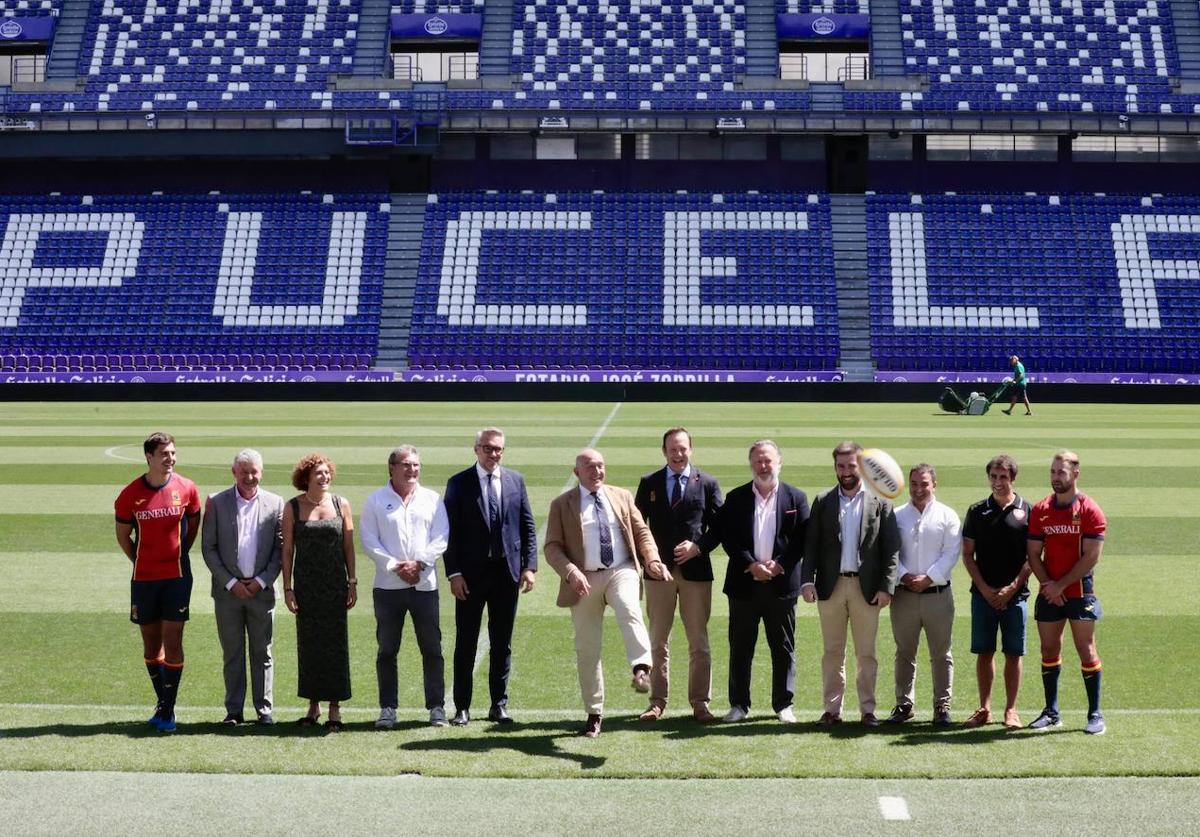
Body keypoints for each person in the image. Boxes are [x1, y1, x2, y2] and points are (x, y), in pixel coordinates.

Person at [544, 448, 672, 738]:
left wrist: (651, 559)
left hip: (620, 570)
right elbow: (552, 547)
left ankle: (641, 666)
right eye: (589, 466)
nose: (597, 471)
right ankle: (594, 711)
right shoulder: (562, 504)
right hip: (583, 579)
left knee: (629, 607)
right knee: (587, 649)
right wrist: (571, 572)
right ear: (577, 473)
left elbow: (642, 533)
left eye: (600, 465)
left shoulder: (621, 496)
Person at [442, 427, 538, 726]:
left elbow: (527, 526)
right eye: (487, 448)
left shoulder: (515, 480)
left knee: (502, 642)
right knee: (466, 642)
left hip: (506, 574)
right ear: (476, 449)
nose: (493, 454)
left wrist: (529, 566)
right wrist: (454, 573)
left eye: (498, 449)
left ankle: (499, 704)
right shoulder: (458, 483)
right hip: (470, 576)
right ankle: (462, 707)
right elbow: (450, 533)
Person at [801, 441, 900, 727]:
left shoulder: (881, 502)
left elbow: (890, 548)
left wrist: (886, 586)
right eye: (840, 466)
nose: (845, 471)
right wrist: (807, 580)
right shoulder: (823, 501)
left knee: (866, 653)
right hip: (830, 588)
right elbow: (812, 546)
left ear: (862, 467)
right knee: (832, 652)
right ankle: (832, 711)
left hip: (866, 589)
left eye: (851, 466)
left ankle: (867, 711)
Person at [633, 427, 724, 723]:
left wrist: (698, 547)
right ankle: (657, 701)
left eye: (683, 448)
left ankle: (700, 702)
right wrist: (649, 560)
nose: (678, 453)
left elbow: (720, 527)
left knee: (698, 641)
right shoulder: (649, 483)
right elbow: (637, 526)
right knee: (658, 641)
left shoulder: (708, 483)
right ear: (664, 451)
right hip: (658, 574)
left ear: (691, 449)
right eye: (672, 448)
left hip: (696, 573)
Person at [114, 431, 201, 733]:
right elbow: (124, 537)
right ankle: (163, 703)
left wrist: (178, 554)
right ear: (149, 456)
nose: (170, 459)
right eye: (164, 454)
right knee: (151, 646)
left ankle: (167, 709)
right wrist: (141, 559)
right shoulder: (129, 495)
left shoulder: (187, 488)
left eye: (173, 453)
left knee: (174, 641)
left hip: (177, 577)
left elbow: (192, 526)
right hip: (144, 580)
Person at [717, 440, 809, 724]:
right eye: (758, 460)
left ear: (779, 462)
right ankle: (739, 705)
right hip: (745, 585)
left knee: (782, 647)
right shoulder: (735, 498)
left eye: (768, 460)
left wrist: (779, 565)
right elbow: (729, 538)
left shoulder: (797, 497)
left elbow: (802, 539)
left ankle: (784, 704)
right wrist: (751, 564)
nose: (763, 465)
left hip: (781, 586)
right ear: (751, 464)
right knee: (741, 647)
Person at [200, 448, 284, 726]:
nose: (250, 477)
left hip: (262, 593)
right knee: (232, 652)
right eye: (244, 471)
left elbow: (280, 550)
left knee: (263, 652)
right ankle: (234, 710)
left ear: (262, 472)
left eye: (255, 472)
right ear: (234, 472)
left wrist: (261, 581)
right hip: (228, 595)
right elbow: (208, 548)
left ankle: (264, 710)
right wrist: (232, 583)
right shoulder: (216, 502)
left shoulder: (276, 503)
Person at [1026, 450, 1107, 735]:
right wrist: (1049, 585)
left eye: (1061, 472)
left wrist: (1061, 586)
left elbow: (1091, 557)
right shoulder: (1040, 509)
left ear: (1075, 474)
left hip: (1079, 592)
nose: (1055, 477)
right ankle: (1051, 712)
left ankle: (1095, 714)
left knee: (1086, 649)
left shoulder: (1089, 510)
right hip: (1050, 591)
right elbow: (1034, 554)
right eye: (1052, 471)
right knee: (1049, 648)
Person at [281, 453, 357, 731]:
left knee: (336, 645)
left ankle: (335, 709)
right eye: (318, 474)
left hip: (335, 585)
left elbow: (348, 546)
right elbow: (287, 550)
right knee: (310, 645)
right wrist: (287, 588)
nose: (324, 477)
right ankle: (313, 706)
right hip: (306, 587)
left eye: (327, 473)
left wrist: (352, 581)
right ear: (306, 478)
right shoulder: (292, 507)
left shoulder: (341, 504)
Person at [960, 454, 1032, 730]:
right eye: (993, 476)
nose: (997, 482)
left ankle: (1011, 710)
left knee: (1014, 653)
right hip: (983, 596)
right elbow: (968, 555)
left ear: (1013, 478)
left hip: (1016, 597)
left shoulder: (1028, 510)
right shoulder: (977, 511)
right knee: (985, 652)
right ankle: (984, 708)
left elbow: (1034, 556)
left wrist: (1012, 588)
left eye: (1003, 477)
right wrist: (985, 589)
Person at [887, 464, 961, 727]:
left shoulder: (947, 515)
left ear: (934, 484)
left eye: (924, 483)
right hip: (903, 595)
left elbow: (951, 553)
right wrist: (906, 576)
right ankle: (904, 705)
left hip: (937, 595)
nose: (919, 489)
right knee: (905, 652)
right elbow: (890, 554)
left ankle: (942, 706)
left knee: (941, 653)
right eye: (915, 483)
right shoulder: (896, 516)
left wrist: (928, 578)